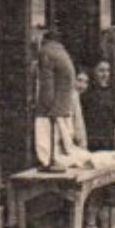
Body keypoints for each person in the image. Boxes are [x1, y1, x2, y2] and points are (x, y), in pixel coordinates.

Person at [33, 28, 80, 169]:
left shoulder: (46, 52)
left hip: (52, 106)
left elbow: (47, 84)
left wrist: (46, 107)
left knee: (45, 139)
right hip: (64, 104)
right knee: (62, 140)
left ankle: (48, 163)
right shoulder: (62, 53)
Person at [82, 61, 115, 152]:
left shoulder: (114, 94)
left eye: (107, 71)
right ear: (94, 72)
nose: (105, 74)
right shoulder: (87, 93)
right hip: (91, 141)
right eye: (101, 71)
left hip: (108, 141)